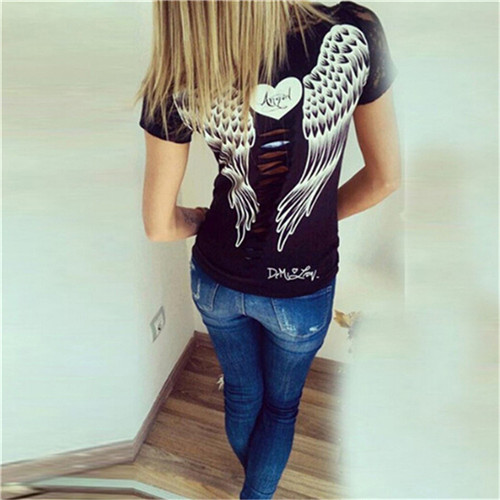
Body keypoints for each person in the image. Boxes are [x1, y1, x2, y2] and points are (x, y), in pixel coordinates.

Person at [136, 1, 401, 498]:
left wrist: (202, 219)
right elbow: (385, 178)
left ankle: (255, 479)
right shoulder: (353, 31)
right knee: (280, 409)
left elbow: (159, 225)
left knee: (241, 393)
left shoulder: (183, 63)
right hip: (302, 285)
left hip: (217, 277)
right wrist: (311, 220)